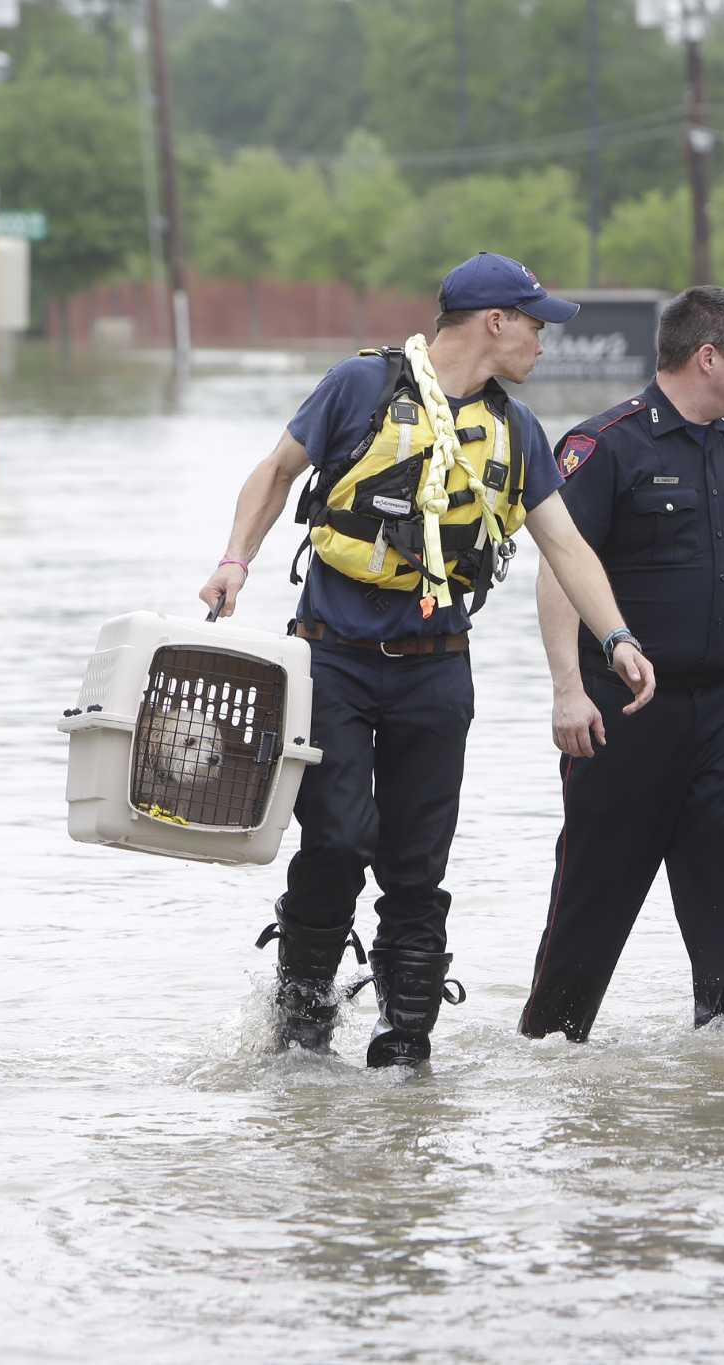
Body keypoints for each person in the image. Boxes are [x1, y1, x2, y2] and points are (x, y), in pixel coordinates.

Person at [198, 251, 654, 1069]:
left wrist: (616, 636)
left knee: (416, 865)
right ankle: (301, 1029)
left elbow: (566, 545)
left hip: (436, 666)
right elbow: (273, 474)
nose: (544, 341)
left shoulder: (517, 432)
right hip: (331, 659)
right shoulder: (359, 387)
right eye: (536, 323)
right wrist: (236, 558)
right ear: (495, 322)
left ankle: (405, 1051)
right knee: (337, 840)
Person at [520, 286, 724, 1043]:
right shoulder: (606, 446)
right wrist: (569, 690)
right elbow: (559, 570)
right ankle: (550, 1054)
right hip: (624, 716)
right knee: (593, 898)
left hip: (723, 716)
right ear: (708, 357)